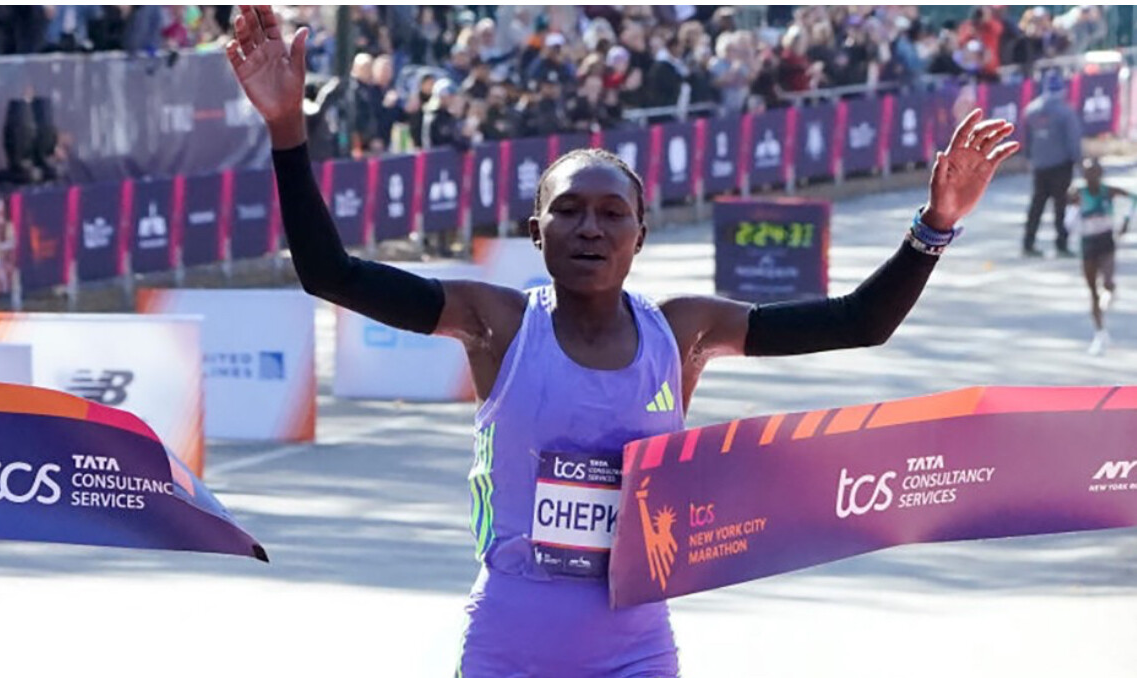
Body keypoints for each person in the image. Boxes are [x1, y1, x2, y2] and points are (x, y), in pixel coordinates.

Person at [225, 7, 1019, 676]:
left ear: (640, 233)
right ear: (535, 231)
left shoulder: (684, 332)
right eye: (568, 211)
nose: (589, 228)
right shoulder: (495, 323)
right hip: (509, 647)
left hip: (633, 651)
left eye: (612, 214)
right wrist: (287, 130)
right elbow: (329, 272)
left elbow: (857, 322)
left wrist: (935, 225)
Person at [1067, 158, 1134, 356]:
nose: (1091, 176)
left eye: (1094, 172)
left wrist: (1126, 222)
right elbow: (1068, 218)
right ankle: (1100, 332)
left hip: (1106, 241)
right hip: (1087, 243)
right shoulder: (1078, 193)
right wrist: (1072, 223)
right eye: (1087, 173)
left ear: (1100, 173)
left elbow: (1133, 198)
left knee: (1107, 282)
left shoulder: (1108, 191)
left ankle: (1109, 293)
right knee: (1092, 291)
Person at [1021, 71, 1082, 258]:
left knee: (1037, 205)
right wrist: (1079, 162)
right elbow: (1073, 141)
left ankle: (1028, 242)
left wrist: (1029, 158)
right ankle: (1061, 244)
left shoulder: (1031, 110)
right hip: (1061, 165)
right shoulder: (1065, 112)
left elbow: (1027, 139)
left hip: (1040, 165)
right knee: (1060, 206)